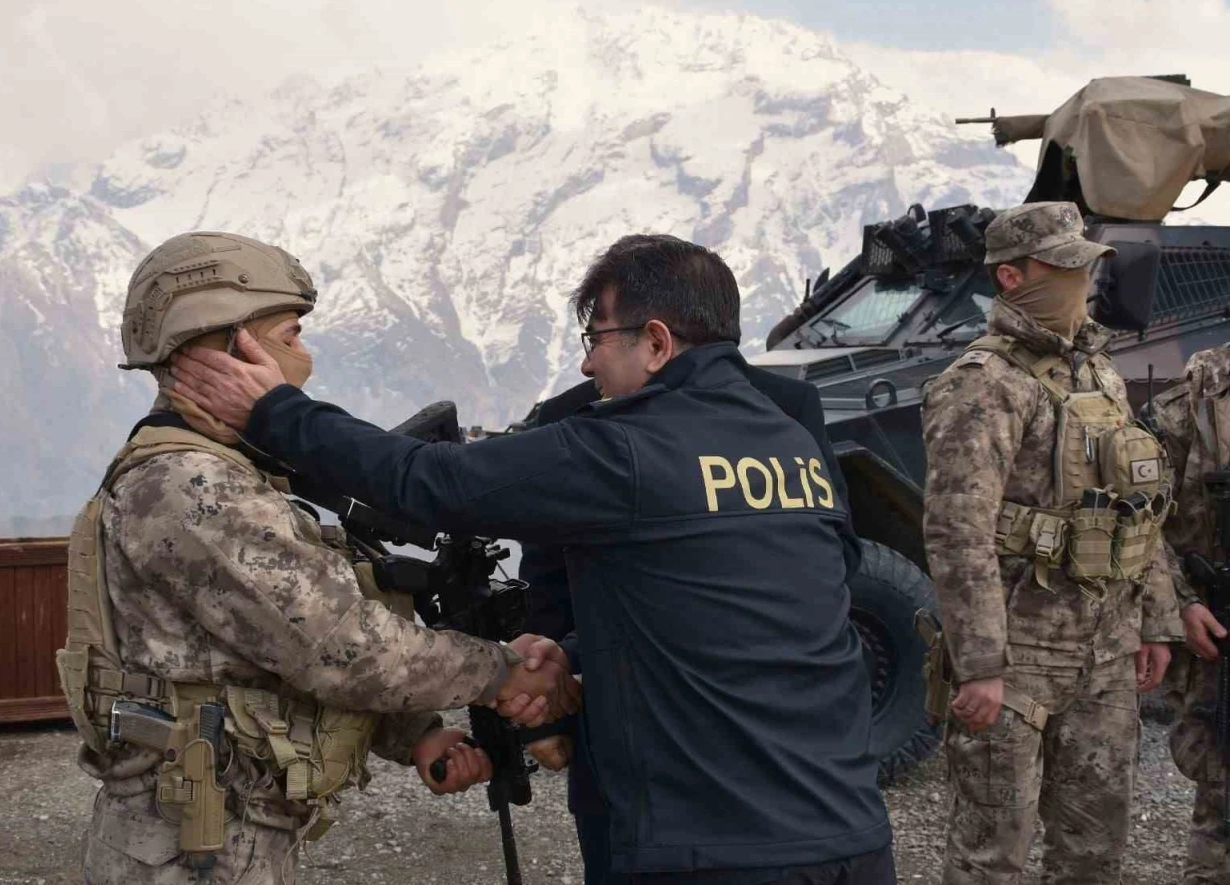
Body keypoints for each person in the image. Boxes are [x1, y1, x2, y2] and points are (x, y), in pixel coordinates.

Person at [170, 233, 896, 883]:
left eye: (596, 336)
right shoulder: (793, 442)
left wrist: (275, 412)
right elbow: (766, 600)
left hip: (710, 845)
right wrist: (574, 652)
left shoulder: (626, 448)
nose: (586, 361)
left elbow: (427, 481)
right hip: (849, 831)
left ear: (655, 342)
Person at [57, 231, 577, 885]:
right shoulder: (190, 485)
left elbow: (266, 658)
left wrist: (416, 734)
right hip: (191, 846)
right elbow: (343, 648)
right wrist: (502, 672)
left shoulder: (228, 472)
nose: (304, 358)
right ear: (229, 348)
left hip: (218, 832)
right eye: (291, 335)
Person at [519, 350, 857, 885]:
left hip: (775, 722)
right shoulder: (572, 416)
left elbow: (838, 551)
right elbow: (548, 579)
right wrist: (548, 716)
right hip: (631, 729)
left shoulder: (788, 403)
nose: (588, 360)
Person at [920, 201, 1185, 884]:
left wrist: (1156, 621)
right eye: (1062, 268)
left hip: (1106, 651)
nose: (1082, 282)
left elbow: (1138, 507)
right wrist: (980, 663)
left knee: (1094, 853)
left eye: (1084, 266)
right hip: (1019, 656)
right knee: (990, 858)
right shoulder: (982, 385)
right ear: (1011, 277)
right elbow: (957, 531)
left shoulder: (1100, 374)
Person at [1154, 345, 1230, 883]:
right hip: (1219, 623)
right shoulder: (1198, 395)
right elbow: (1140, 516)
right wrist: (1182, 602)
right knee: (1222, 797)